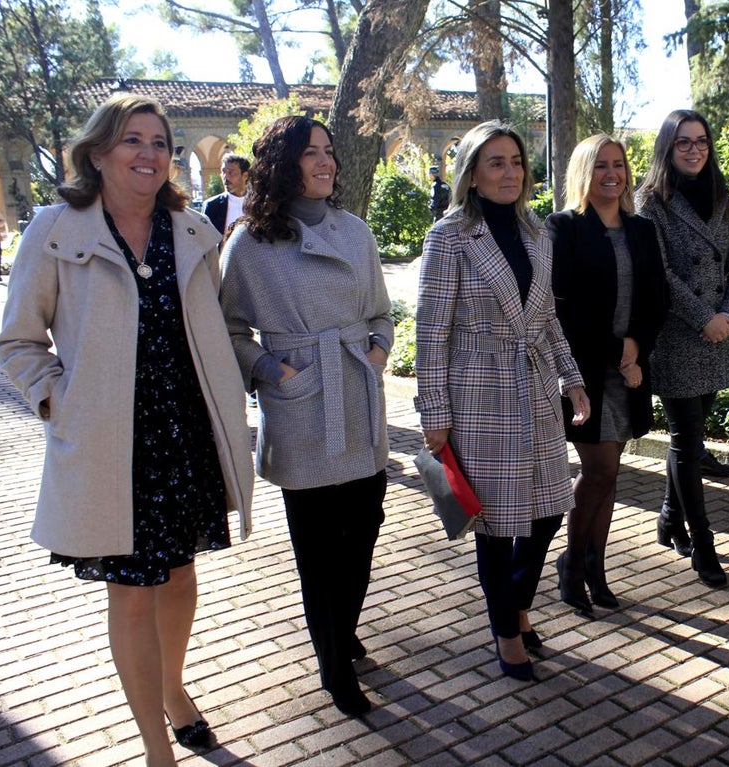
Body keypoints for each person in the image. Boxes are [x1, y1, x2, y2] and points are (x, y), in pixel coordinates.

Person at [0, 94, 255, 767]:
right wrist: (60, 402)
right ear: (99, 152)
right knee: (133, 595)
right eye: (132, 140)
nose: (148, 153)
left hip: (185, 434)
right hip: (113, 446)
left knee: (182, 579)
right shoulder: (57, 228)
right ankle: (153, 746)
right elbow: (18, 340)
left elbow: (215, 330)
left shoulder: (192, 229)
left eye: (160, 141)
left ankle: (173, 689)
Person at [219, 115, 392, 719]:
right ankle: (333, 663)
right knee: (319, 550)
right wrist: (273, 371)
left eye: (329, 152)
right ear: (281, 164)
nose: (325, 163)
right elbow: (229, 328)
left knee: (365, 530)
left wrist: (374, 355)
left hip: (357, 394)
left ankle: (341, 629)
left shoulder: (356, 232)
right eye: (310, 153)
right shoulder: (250, 244)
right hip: (301, 406)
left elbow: (381, 314)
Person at [415, 121, 590, 681]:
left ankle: (515, 605)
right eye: (496, 162)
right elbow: (430, 329)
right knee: (493, 526)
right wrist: (435, 414)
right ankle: (507, 632)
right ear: (472, 172)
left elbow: (548, 317)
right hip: (477, 396)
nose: (510, 171)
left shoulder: (538, 231)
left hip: (535, 389)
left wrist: (573, 377)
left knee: (546, 511)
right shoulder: (449, 235)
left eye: (516, 161)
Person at [546, 134, 667, 614]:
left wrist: (636, 347)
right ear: (583, 172)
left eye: (618, 164)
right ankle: (573, 564)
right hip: (585, 370)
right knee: (600, 470)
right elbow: (564, 308)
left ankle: (594, 568)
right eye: (600, 166)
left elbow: (657, 298)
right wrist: (620, 352)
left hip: (630, 368)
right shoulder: (564, 228)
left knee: (610, 475)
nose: (611, 174)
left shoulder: (641, 230)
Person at [635, 109, 729, 588]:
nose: (694, 149)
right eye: (683, 142)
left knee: (692, 437)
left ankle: (668, 515)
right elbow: (658, 274)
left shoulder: (721, 196)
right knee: (688, 439)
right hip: (677, 335)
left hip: (719, 334)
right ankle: (703, 543)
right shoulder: (650, 202)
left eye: (701, 140)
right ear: (667, 147)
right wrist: (705, 318)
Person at [203, 153, 251, 240]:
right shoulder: (212, 206)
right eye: (223, 172)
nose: (226, 177)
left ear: (245, 175)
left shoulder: (258, 204)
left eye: (231, 172)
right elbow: (205, 239)